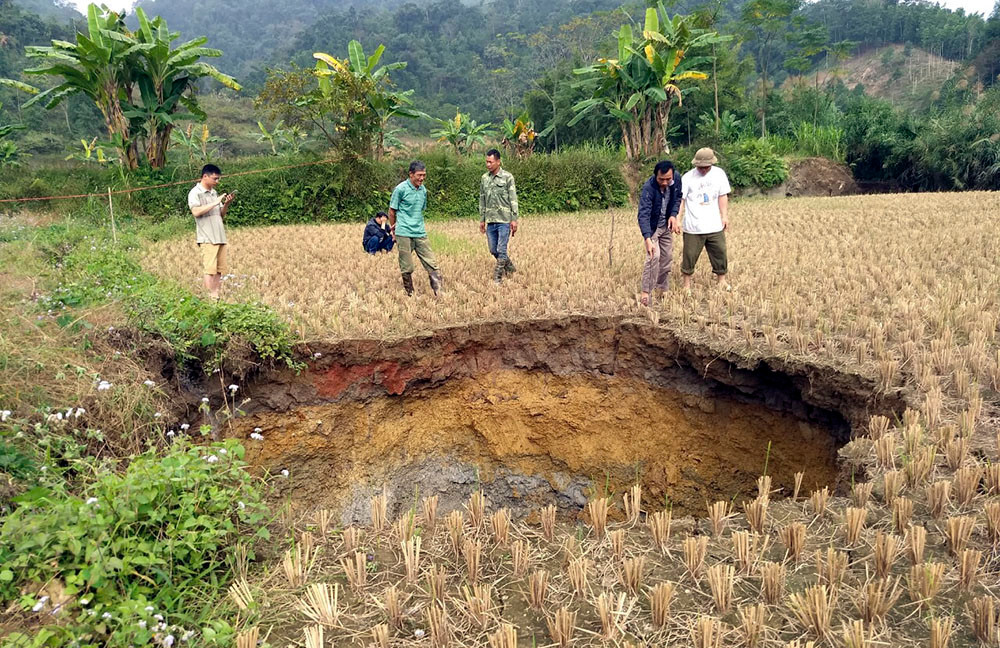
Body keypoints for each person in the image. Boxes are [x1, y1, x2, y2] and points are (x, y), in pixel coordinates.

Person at [674, 147, 732, 292]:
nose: (703, 170)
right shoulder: (687, 177)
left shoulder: (719, 175)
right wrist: (677, 219)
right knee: (689, 256)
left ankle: (722, 281)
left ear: (712, 164)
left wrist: (724, 216)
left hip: (714, 225)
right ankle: (686, 285)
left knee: (720, 253)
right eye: (700, 167)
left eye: (706, 167)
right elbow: (681, 200)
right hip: (693, 226)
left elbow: (722, 196)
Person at [389, 160, 442, 296]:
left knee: (431, 261)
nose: (422, 178)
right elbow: (392, 211)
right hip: (403, 231)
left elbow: (420, 209)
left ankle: (439, 291)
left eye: (424, 175)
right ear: (411, 174)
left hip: (419, 231)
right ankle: (410, 293)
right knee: (407, 265)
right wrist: (394, 229)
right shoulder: (400, 189)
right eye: (419, 175)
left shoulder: (423, 190)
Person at [636, 159, 681, 306]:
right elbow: (643, 214)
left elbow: (677, 199)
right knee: (653, 256)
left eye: (668, 179)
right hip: (653, 227)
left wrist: (673, 215)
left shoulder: (676, 179)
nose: (665, 182)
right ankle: (646, 292)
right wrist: (647, 238)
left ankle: (662, 287)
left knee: (666, 257)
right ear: (656, 176)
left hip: (666, 226)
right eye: (661, 179)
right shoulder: (649, 188)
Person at [188, 163, 235, 300]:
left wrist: (225, 204)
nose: (217, 182)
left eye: (218, 179)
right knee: (210, 269)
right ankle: (210, 298)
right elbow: (196, 212)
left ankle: (216, 296)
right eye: (215, 179)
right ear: (205, 176)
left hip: (220, 236)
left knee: (219, 270)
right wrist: (215, 202)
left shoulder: (214, 193)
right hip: (207, 237)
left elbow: (220, 215)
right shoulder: (195, 193)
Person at [479, 148, 519, 283]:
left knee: (501, 249)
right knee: (493, 249)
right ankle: (510, 267)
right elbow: (482, 199)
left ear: (498, 162)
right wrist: (482, 220)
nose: (488, 165)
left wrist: (514, 219)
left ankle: (497, 277)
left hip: (504, 220)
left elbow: (513, 199)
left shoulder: (508, 177)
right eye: (486, 162)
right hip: (491, 220)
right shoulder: (484, 178)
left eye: (490, 162)